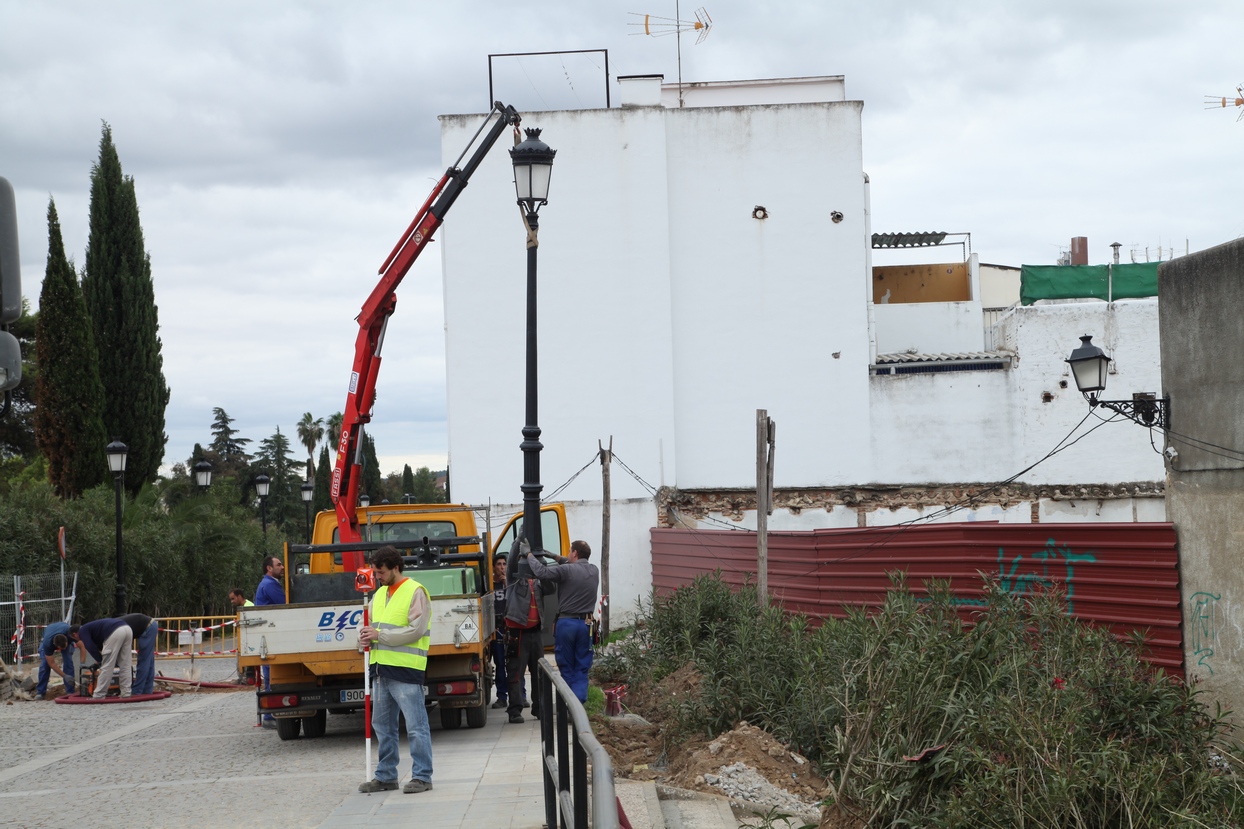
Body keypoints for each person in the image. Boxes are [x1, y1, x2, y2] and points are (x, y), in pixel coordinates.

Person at [357, 545, 434, 795]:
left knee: (415, 725)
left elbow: (416, 630)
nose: (377, 576)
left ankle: (422, 776)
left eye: (380, 572)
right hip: (380, 670)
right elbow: (371, 629)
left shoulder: (415, 591)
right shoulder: (379, 595)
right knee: (382, 726)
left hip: (406, 670)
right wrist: (364, 639)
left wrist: (380, 635)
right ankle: (386, 775)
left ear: (395, 568)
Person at [526, 539, 600, 703]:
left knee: (566, 666)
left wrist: (529, 555)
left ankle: (568, 704)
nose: (567, 554)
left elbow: (542, 573)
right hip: (586, 625)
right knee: (582, 666)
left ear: (574, 553)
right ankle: (579, 704)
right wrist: (555, 556)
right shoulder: (594, 570)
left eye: (569, 551)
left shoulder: (566, 570)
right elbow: (574, 565)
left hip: (567, 624)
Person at [504, 534, 555, 724]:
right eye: (523, 559)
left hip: (535, 632)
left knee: (539, 673)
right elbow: (510, 562)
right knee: (516, 672)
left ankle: (539, 708)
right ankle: (515, 710)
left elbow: (551, 587)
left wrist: (542, 562)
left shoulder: (540, 581)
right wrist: (518, 542)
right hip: (517, 633)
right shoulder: (514, 579)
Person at [254, 557, 285, 726]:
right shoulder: (270, 585)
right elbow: (286, 604)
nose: (282, 567)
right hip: (271, 636)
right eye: (279, 564)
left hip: (269, 635)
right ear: (269, 568)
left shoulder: (267, 584)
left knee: (270, 673)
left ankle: (269, 716)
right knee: (272, 675)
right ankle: (269, 717)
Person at [70, 617, 132, 699]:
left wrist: (100, 661)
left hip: (114, 632)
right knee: (125, 664)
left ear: (75, 634)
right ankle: (126, 693)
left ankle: (99, 695)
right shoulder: (93, 628)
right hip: (127, 628)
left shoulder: (83, 631)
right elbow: (100, 647)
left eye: (75, 639)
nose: (77, 640)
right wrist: (98, 660)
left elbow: (90, 647)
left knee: (107, 666)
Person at [489, 556, 511, 710]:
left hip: (510, 628)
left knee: (515, 663)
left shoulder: (510, 584)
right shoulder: (490, 585)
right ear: (493, 567)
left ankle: (520, 696)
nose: (502, 567)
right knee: (499, 663)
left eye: (504, 564)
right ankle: (502, 696)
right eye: (499, 564)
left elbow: (516, 600)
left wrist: (506, 583)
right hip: (496, 629)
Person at [118, 613, 159, 695]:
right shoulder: (113, 624)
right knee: (149, 661)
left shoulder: (112, 629)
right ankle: (147, 690)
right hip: (151, 624)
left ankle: (137, 691)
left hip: (147, 628)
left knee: (143, 661)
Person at [35, 621, 74, 699]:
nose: (64, 649)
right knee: (45, 665)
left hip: (63, 630)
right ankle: (40, 692)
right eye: (62, 649)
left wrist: (82, 662)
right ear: (57, 647)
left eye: (65, 647)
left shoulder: (70, 633)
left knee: (68, 662)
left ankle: (70, 691)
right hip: (49, 633)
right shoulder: (47, 643)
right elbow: (51, 664)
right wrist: (65, 676)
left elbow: (81, 644)